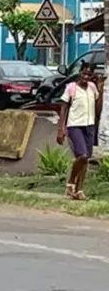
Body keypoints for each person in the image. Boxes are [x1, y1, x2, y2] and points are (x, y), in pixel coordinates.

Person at [57, 61, 99, 201]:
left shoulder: (92, 88)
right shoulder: (71, 88)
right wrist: (60, 129)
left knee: (86, 159)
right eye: (84, 73)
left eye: (89, 74)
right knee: (81, 155)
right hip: (75, 125)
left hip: (89, 125)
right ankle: (70, 183)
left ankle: (79, 189)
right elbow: (63, 109)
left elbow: (97, 106)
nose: (86, 77)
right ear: (80, 72)